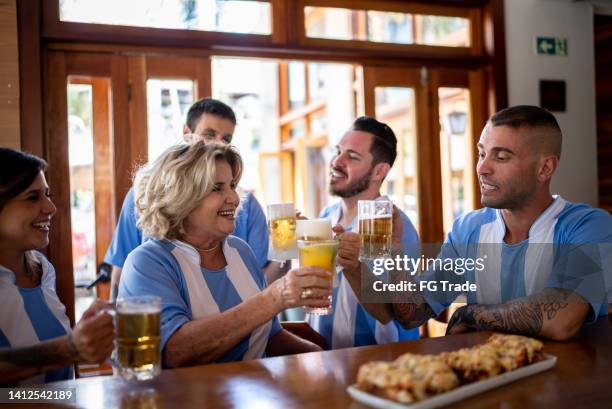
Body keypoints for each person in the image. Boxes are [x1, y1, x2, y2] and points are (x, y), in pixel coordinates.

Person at [336, 105, 612, 341]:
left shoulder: (591, 227)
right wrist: (395, 249)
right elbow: (413, 314)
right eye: (482, 154)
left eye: (501, 157)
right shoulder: (468, 230)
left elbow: (561, 318)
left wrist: (471, 314)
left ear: (545, 168)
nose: (482, 167)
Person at [118, 141, 331, 367]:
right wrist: (275, 297)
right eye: (217, 188)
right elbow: (176, 352)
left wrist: (320, 355)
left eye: (232, 185)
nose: (235, 198)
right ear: (181, 198)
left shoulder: (240, 251)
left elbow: (270, 335)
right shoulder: (147, 263)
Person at [105, 98, 283, 300]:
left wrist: (286, 249)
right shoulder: (144, 199)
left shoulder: (246, 208)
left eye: (226, 138)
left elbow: (260, 284)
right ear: (187, 133)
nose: (217, 143)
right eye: (209, 134)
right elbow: (120, 274)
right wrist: (115, 318)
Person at [0, 148, 114, 385]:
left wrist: (86, 337)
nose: (51, 208)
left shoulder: (42, 269)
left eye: (47, 194)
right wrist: (69, 348)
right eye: (33, 197)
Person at [307, 117, 420, 349]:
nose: (336, 161)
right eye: (338, 151)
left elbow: (396, 313)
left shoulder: (387, 223)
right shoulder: (326, 215)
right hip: (321, 356)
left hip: (379, 361)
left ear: (379, 171)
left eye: (352, 156)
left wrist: (354, 265)